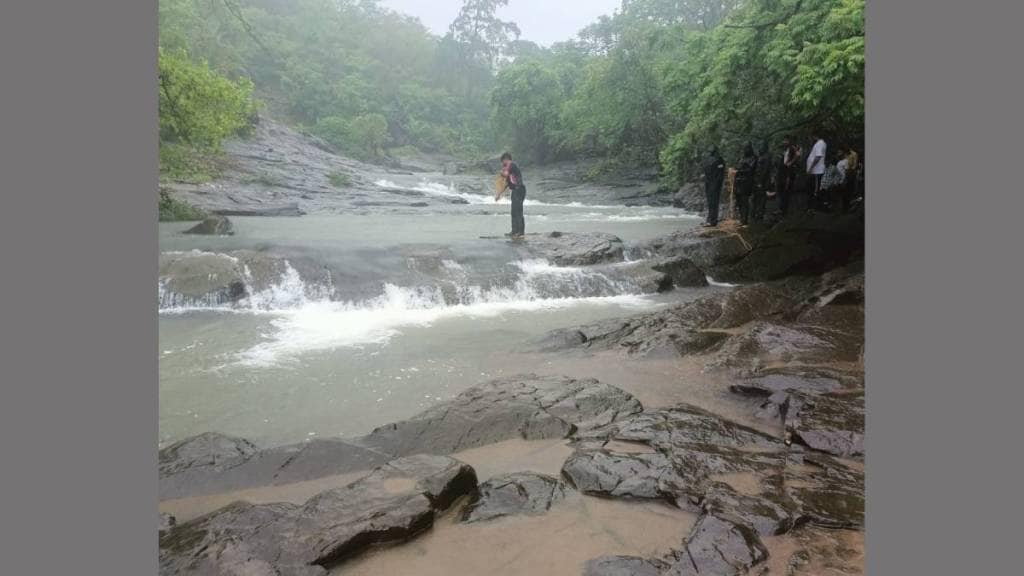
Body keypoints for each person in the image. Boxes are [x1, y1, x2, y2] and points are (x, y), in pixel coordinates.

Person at [496, 152, 526, 240]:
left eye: (503, 162)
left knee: (518, 211)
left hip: (519, 189)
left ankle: (520, 232)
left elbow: (505, 174)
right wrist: (498, 194)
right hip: (514, 191)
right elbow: (506, 184)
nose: (503, 164)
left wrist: (501, 173)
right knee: (513, 212)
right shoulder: (510, 172)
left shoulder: (512, 164)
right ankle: (514, 231)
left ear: (506, 159)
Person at [734, 142, 758, 226]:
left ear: (750, 149)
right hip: (738, 182)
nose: (745, 150)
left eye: (746, 148)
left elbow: (750, 170)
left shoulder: (753, 158)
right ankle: (741, 218)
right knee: (739, 201)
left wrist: (738, 171)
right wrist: (734, 170)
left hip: (746, 182)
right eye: (744, 148)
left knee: (744, 201)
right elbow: (738, 166)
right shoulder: (742, 158)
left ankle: (744, 220)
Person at [702, 145, 726, 227]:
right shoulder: (707, 159)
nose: (710, 151)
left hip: (715, 183)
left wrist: (717, 184)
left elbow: (721, 173)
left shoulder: (719, 160)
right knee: (710, 202)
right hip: (708, 183)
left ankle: (713, 220)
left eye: (711, 150)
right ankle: (710, 219)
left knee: (714, 202)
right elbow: (705, 171)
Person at [776, 137, 800, 216]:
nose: (784, 142)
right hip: (784, 171)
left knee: (786, 190)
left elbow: (797, 155)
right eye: (784, 140)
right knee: (782, 190)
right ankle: (781, 209)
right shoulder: (786, 149)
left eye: (786, 140)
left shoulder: (792, 148)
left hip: (789, 172)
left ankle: (784, 210)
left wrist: (790, 163)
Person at [806, 131, 827, 210]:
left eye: (811, 136)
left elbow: (818, 157)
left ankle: (814, 207)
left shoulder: (819, 144)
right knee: (815, 189)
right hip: (816, 171)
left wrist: (810, 168)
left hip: (816, 171)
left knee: (815, 190)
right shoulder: (822, 143)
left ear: (815, 135)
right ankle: (815, 206)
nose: (811, 138)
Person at [753, 140, 773, 223]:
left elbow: (765, 170)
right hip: (758, 179)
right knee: (756, 197)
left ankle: (760, 214)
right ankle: (756, 213)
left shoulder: (767, 156)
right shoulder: (760, 155)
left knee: (762, 197)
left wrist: (761, 181)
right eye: (759, 145)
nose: (760, 147)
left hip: (763, 180)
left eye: (761, 145)